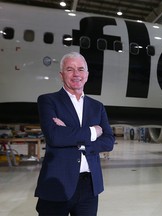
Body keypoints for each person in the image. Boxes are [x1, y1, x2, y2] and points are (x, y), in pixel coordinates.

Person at [34, 52, 115, 215]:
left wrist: (71, 135)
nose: (76, 74)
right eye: (70, 69)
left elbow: (108, 141)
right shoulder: (48, 101)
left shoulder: (97, 106)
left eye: (80, 69)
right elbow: (55, 136)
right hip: (57, 184)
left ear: (87, 74)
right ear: (61, 74)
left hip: (89, 186)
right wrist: (93, 132)